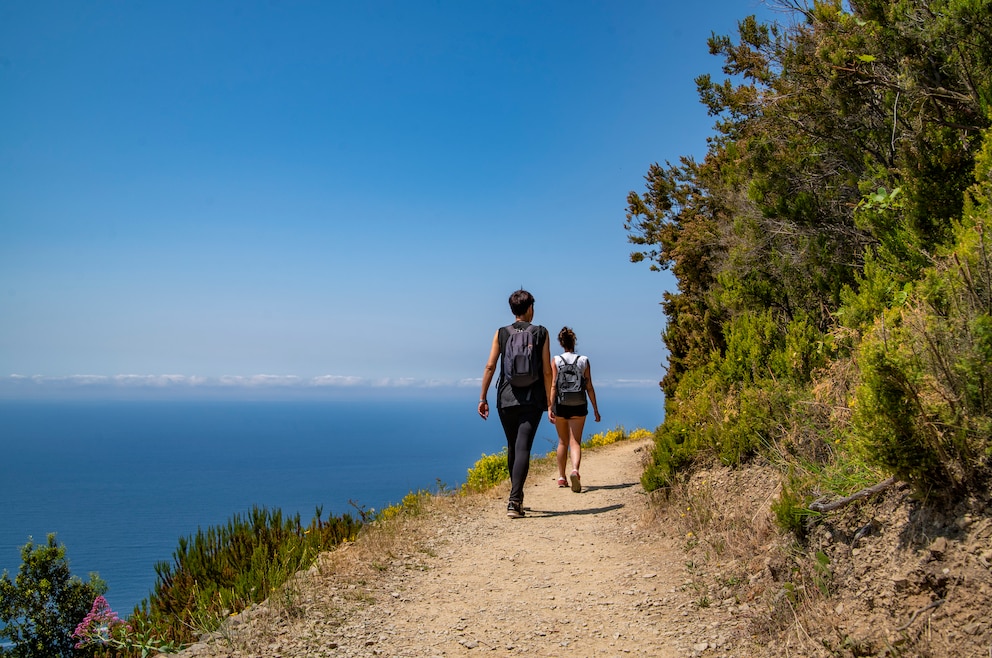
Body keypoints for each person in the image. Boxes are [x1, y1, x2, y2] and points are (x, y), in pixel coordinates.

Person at [478, 289, 552, 518]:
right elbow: (547, 371)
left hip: (505, 398)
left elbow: (490, 366)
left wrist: (483, 398)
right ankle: (515, 500)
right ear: (530, 308)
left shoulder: (501, 333)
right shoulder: (541, 333)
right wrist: (551, 402)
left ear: (512, 309)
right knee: (523, 447)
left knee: (513, 446)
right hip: (532, 399)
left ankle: (515, 497)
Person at [548, 326, 600, 493]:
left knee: (562, 441)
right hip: (579, 404)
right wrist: (595, 409)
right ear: (574, 341)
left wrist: (550, 406)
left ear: (561, 343)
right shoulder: (584, 360)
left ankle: (562, 477)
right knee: (575, 441)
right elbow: (589, 386)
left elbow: (554, 386)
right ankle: (575, 471)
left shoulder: (556, 360)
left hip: (561, 405)